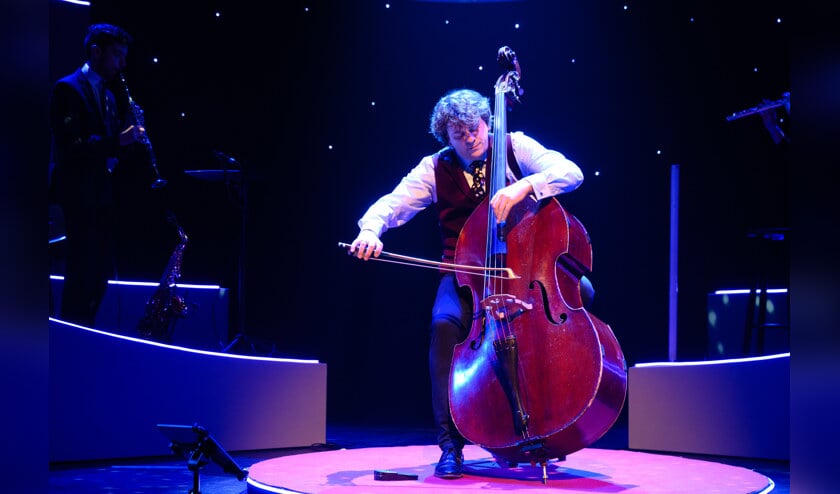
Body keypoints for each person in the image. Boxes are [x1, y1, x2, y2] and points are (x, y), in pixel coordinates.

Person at [348, 88, 586, 479]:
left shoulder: (515, 145)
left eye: (475, 129)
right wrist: (371, 230)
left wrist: (524, 186)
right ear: (447, 137)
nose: (471, 139)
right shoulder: (434, 167)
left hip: (527, 269)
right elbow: (393, 203)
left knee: (583, 292)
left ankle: (556, 412)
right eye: (460, 135)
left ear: (486, 122)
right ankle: (450, 446)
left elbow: (571, 173)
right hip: (464, 274)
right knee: (444, 326)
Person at [49, 23, 148, 327]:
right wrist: (118, 141)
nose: (122, 63)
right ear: (95, 52)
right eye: (117, 55)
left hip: (101, 194)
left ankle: (84, 335)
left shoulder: (108, 94)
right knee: (81, 274)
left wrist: (131, 139)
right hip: (78, 195)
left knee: (99, 278)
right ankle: (70, 342)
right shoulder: (67, 88)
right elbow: (72, 147)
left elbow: (109, 149)